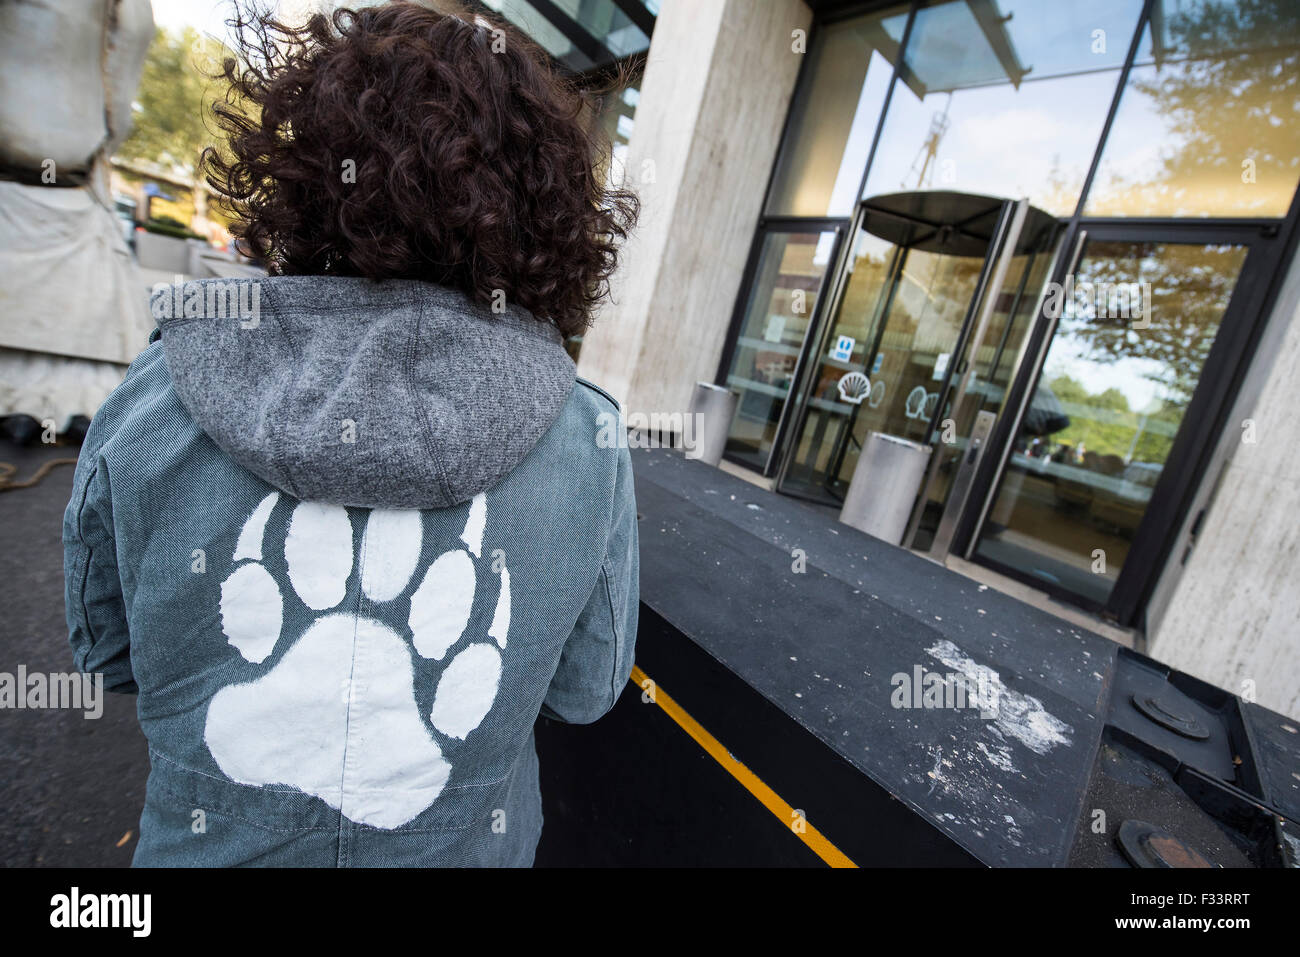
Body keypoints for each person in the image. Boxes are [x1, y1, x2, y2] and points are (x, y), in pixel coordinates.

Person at [62, 0, 640, 867]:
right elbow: (589, 689)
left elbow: (107, 651)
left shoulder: (159, 393)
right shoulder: (585, 437)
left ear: (300, 170)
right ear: (541, 204)